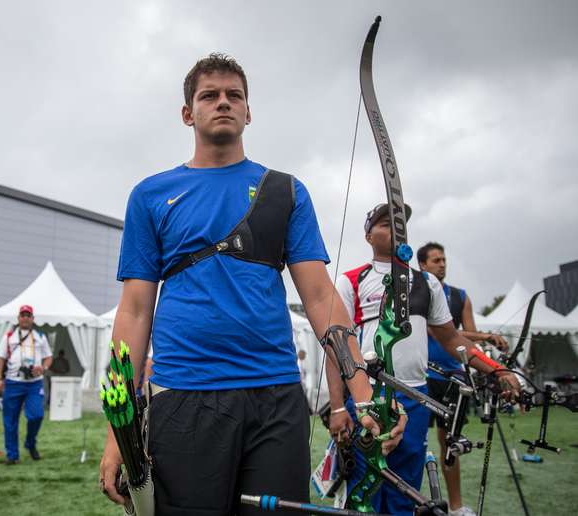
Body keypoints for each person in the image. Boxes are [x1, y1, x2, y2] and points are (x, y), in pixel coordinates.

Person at [99, 53, 404, 516]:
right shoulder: (151, 194)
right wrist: (117, 433)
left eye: (234, 95)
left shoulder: (285, 191)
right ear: (188, 113)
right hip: (183, 396)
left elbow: (320, 298)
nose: (223, 102)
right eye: (209, 95)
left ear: (248, 111)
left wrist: (366, 397)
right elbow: (135, 311)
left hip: (275, 398)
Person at [330, 204, 520, 516]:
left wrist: (497, 369)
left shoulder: (427, 283)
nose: (395, 227)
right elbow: (336, 345)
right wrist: (338, 406)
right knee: (365, 492)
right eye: (384, 223)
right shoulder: (351, 280)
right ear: (368, 236)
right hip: (369, 397)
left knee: (405, 492)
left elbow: (451, 338)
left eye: (400, 222)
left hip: (415, 396)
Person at [417, 241, 508, 516]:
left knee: (450, 444)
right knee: (414, 442)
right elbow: (438, 331)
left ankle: (456, 507)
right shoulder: (418, 291)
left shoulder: (459, 296)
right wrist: (485, 337)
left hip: (454, 378)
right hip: (422, 375)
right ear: (423, 265)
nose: (442, 264)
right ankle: (412, 499)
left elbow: (465, 334)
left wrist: (491, 363)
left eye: (443, 259)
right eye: (435, 260)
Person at [0, 305, 52, 464]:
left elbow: (48, 357)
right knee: (10, 420)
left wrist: (44, 367)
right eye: (22, 315)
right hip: (13, 382)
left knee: (37, 415)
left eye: (28, 315)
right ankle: (12, 455)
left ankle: (30, 442)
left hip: (34, 383)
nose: (25, 318)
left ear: (33, 319)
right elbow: (0, 357)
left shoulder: (40, 336)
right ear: (18, 318)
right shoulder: (9, 336)